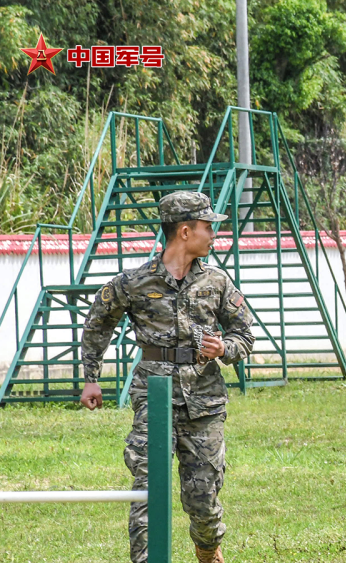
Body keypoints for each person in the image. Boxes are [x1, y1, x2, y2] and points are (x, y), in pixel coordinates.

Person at [80, 191, 254, 563]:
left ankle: (207, 548)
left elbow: (246, 334)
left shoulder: (218, 283)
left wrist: (225, 349)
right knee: (147, 485)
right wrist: (91, 377)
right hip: (154, 397)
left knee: (203, 497)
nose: (214, 235)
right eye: (209, 227)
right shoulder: (134, 282)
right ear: (186, 232)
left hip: (204, 401)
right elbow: (98, 323)